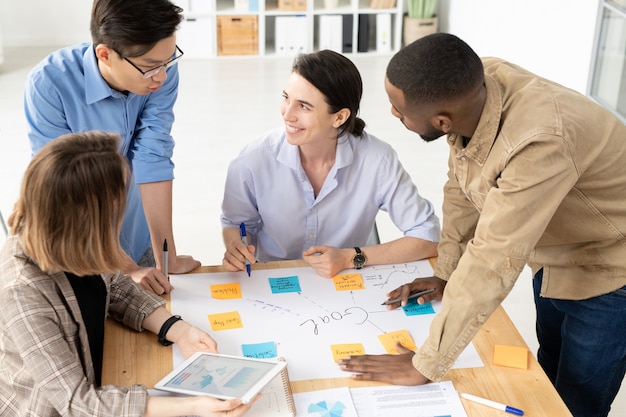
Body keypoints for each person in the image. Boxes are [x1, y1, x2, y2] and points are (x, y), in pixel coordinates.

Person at [337, 33, 626, 417]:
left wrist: (427, 362)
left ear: (442, 120)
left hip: (611, 272)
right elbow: (461, 186)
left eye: (398, 109)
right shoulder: (473, 85)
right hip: (557, 256)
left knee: (576, 401)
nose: (393, 114)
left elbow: (495, 257)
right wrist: (446, 271)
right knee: (549, 373)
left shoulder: (539, 143)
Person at [0, 131, 257, 417]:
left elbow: (116, 287)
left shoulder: (72, 238)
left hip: (100, 372)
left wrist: (177, 329)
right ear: (88, 216)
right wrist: (193, 406)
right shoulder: (21, 291)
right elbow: (76, 403)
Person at [23, 0, 200, 295]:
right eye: (150, 67)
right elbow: (62, 186)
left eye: (168, 61)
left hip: (135, 230)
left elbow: (153, 155)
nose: (162, 76)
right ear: (104, 54)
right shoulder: (49, 85)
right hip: (80, 242)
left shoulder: (158, 72)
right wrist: (125, 269)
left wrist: (165, 257)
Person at [220, 50, 440, 278]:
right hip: (273, 280)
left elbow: (428, 236)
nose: (288, 114)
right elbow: (235, 222)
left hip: (343, 282)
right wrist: (235, 243)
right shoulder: (253, 159)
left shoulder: (377, 160)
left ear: (339, 117)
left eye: (304, 106)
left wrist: (350, 257)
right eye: (286, 98)